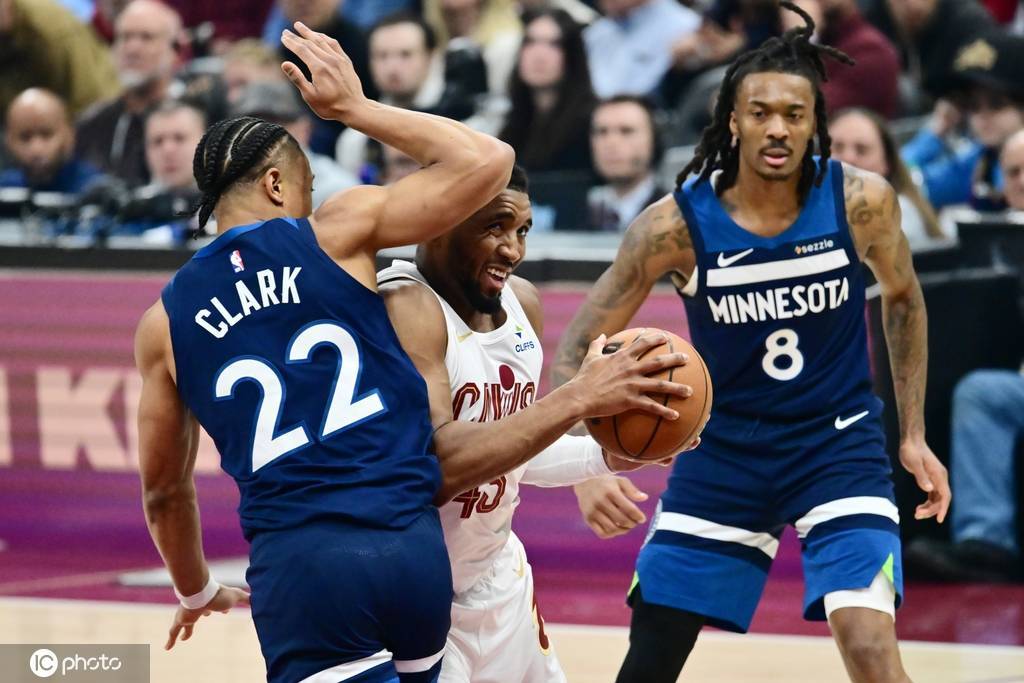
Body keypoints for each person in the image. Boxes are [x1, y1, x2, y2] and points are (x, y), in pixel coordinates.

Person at [554, 5, 951, 682]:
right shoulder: (673, 227)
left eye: (795, 114)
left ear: (815, 122)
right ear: (733, 120)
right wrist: (585, 467)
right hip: (724, 453)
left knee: (868, 645)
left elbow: (904, 299)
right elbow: (576, 349)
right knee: (650, 654)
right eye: (760, 112)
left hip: (838, 445)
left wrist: (912, 434)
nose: (777, 128)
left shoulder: (861, 201)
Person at [135, 22, 515, 683]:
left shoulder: (162, 323)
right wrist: (355, 109)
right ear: (277, 184)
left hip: (307, 569)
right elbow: (489, 162)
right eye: (308, 185)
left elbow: (165, 490)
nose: (314, 199)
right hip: (412, 553)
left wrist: (195, 589)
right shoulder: (338, 233)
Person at [377, 165, 694, 683]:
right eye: (495, 227)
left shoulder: (520, 302)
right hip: (416, 597)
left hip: (498, 575)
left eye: (522, 230)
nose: (513, 249)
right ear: (440, 220)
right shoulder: (404, 305)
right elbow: (441, 466)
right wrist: (578, 397)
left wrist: (608, 455)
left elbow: (509, 451)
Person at [76, 0, 183, 187]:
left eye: (146, 37)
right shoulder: (92, 124)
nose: (132, 49)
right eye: (125, 37)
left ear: (174, 50)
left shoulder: (198, 117)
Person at [828, 108, 944, 249]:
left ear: (887, 163)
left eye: (862, 150)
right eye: (838, 148)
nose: (848, 158)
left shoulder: (899, 215)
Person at [498, 9, 595, 175]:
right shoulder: (512, 123)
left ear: (572, 54)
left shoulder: (591, 123)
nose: (539, 55)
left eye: (553, 44)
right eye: (530, 42)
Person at [587, 95, 666, 232]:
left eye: (626, 131)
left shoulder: (680, 214)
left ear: (654, 141)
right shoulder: (575, 211)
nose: (611, 143)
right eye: (602, 132)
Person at [1, 88, 103, 193]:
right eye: (25, 137)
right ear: (8, 140)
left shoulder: (96, 190)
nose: (36, 149)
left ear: (69, 134)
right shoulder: (6, 189)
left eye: (46, 134)